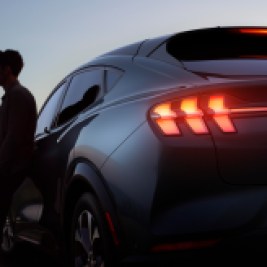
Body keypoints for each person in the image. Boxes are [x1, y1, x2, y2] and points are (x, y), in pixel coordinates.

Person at [0, 49, 37, 243]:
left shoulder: (18, 95)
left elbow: (13, 137)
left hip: (12, 171)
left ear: (6, 69)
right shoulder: (10, 97)